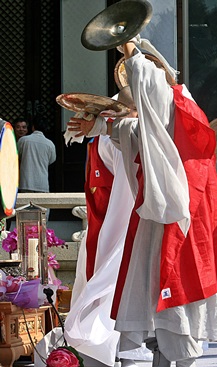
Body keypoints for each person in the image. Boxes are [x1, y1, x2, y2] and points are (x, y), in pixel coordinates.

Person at [70, 41, 217, 367]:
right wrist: (100, 126)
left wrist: (135, 54)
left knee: (178, 314)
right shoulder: (153, 122)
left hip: (183, 230)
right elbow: (132, 130)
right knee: (147, 316)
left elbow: (149, 113)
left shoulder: (180, 113)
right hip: (149, 227)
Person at [63, 88, 141, 367]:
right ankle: (108, 348)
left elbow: (126, 190)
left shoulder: (120, 139)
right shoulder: (111, 140)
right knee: (104, 288)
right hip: (106, 222)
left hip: (116, 226)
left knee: (112, 290)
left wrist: (117, 235)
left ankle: (113, 347)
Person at [17, 118, 56, 193]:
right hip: (42, 184)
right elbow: (52, 160)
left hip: (26, 182)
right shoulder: (50, 144)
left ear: (33, 127)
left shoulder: (23, 140)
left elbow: (17, 155)